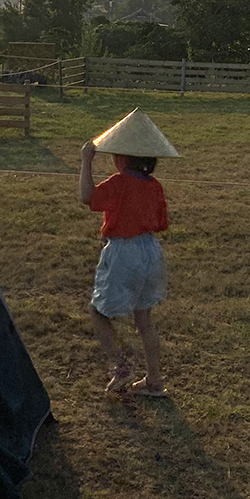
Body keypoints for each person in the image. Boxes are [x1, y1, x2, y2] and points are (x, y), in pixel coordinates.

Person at [78, 108, 178, 397]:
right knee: (144, 318)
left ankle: (120, 365)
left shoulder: (120, 182)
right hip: (150, 249)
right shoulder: (154, 186)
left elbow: (87, 197)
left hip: (124, 251)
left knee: (98, 313)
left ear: (122, 158)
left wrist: (86, 162)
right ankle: (154, 380)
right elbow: (160, 222)